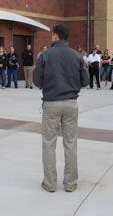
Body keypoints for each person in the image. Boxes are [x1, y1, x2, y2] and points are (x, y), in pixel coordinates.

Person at [33, 24, 89, 193]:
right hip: (71, 102)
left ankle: (50, 183)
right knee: (70, 142)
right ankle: (70, 182)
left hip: (51, 103)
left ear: (55, 35)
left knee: (49, 143)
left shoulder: (45, 56)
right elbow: (85, 81)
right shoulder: (76, 56)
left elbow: (37, 82)